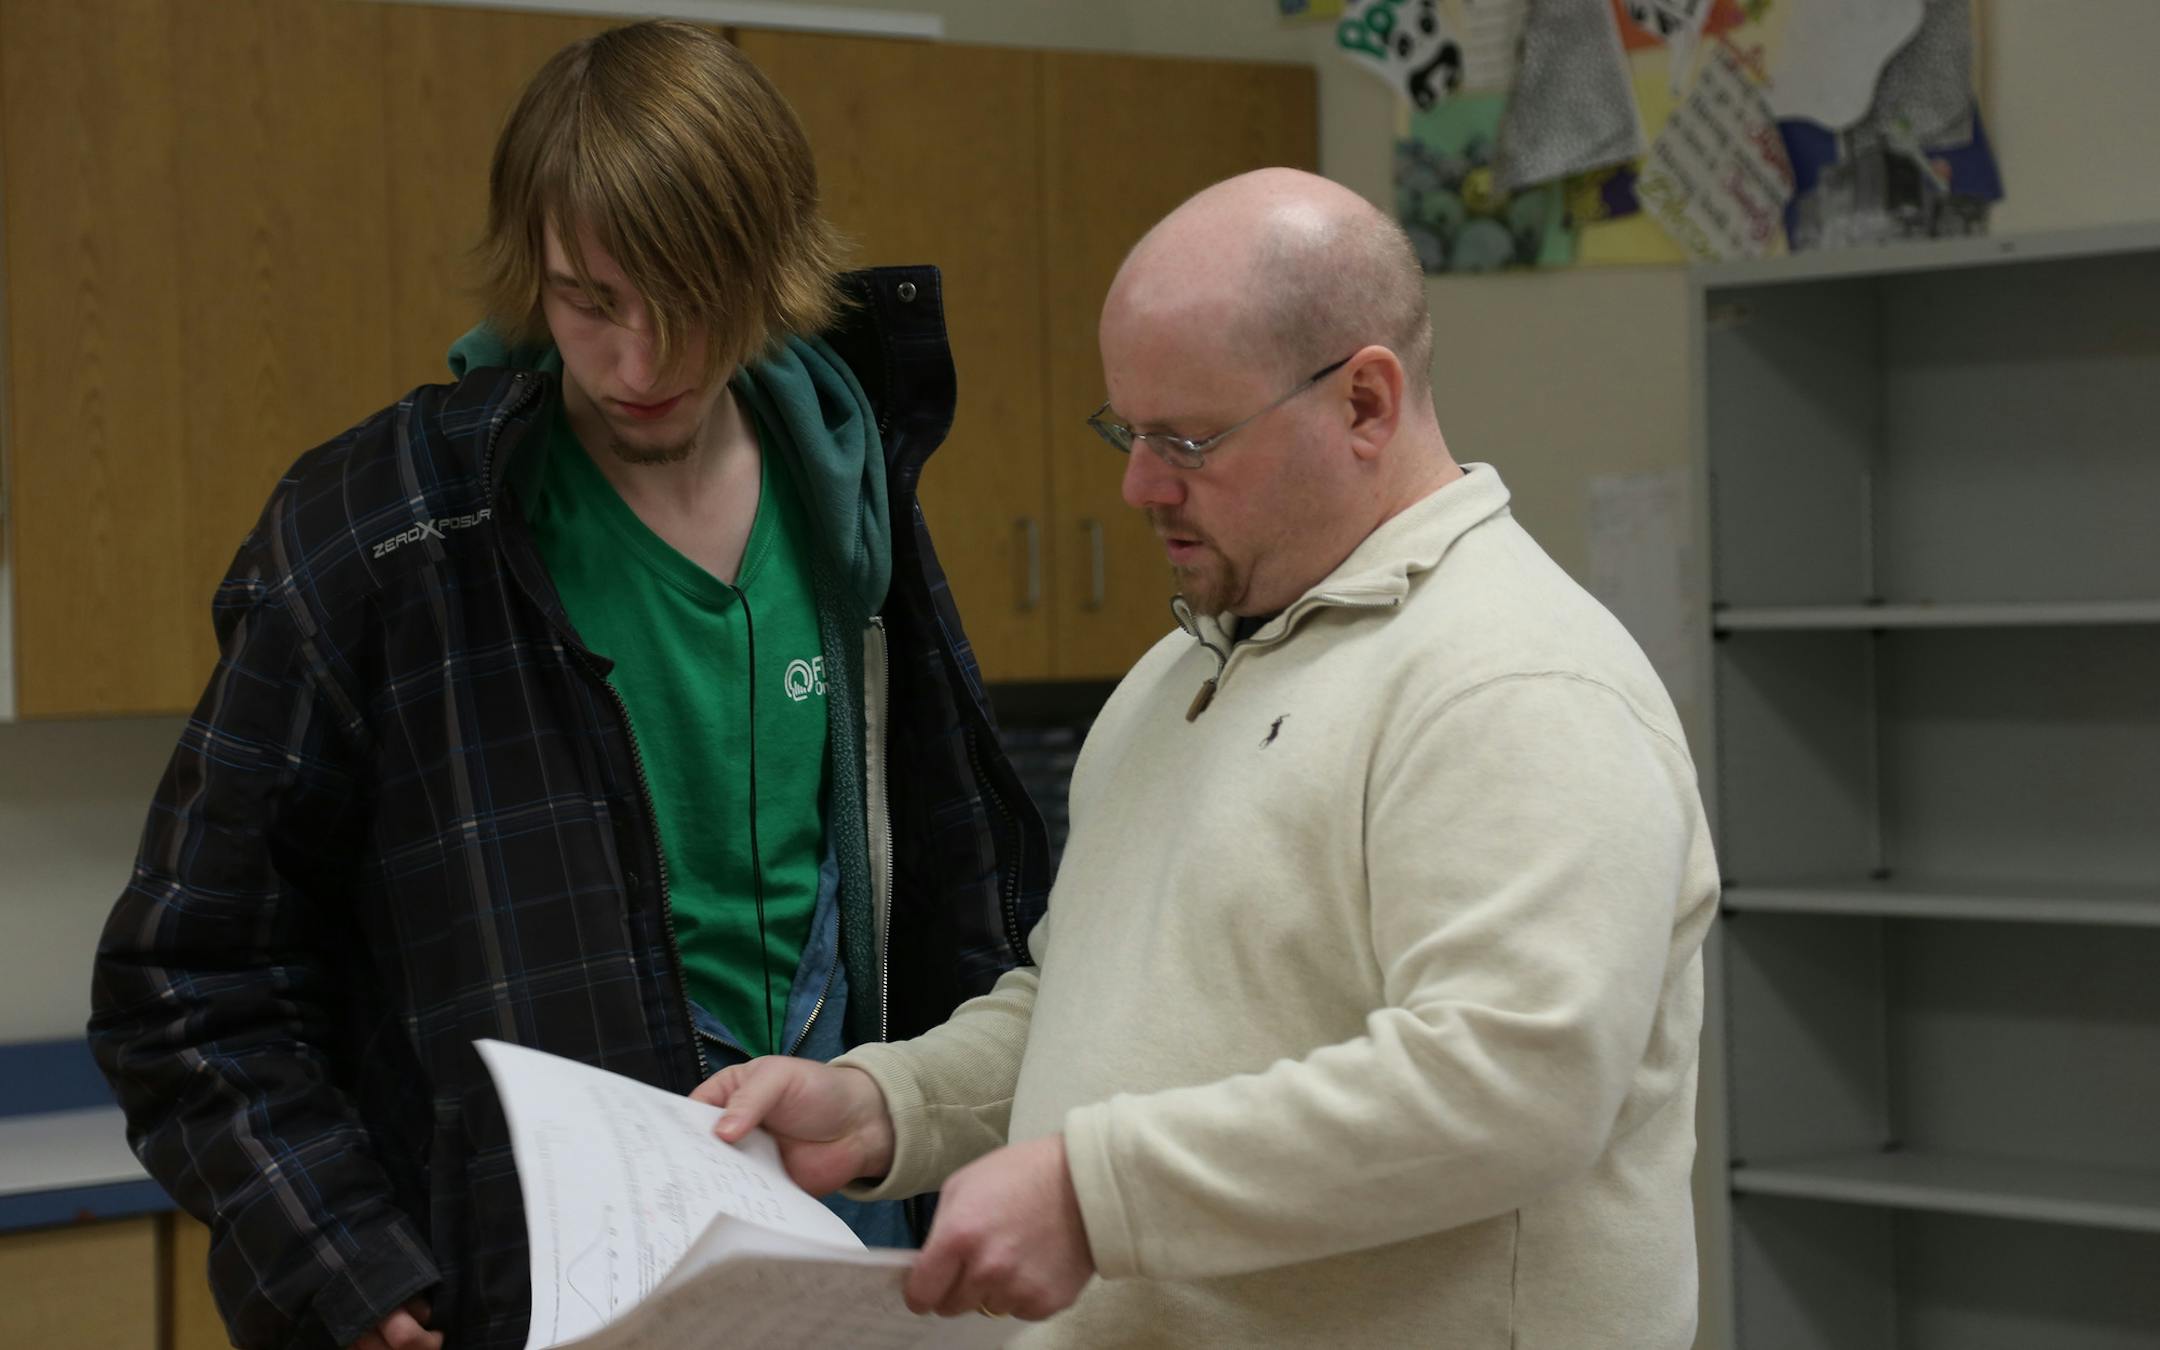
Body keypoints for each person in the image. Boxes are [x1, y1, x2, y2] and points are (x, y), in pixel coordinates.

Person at [87, 20, 1045, 1350]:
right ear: (529, 273)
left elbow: (964, 920)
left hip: (844, 1231)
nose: (640, 362)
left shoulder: (851, 487)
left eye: (690, 298)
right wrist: (341, 1257)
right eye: (591, 301)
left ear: (772, 268)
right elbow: (185, 982)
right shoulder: (382, 531)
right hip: (524, 1276)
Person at [697, 167, 1720, 1349]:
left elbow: (1510, 1083)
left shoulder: (1513, 681)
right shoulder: (1181, 674)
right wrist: (890, 1104)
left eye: (1186, 439)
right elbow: (1090, 1002)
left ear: (1367, 404)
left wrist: (1096, 1193)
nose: (1139, 486)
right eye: (1126, 433)